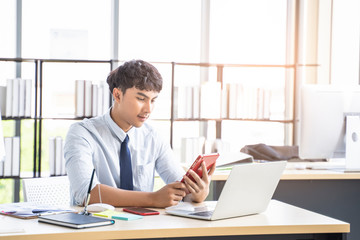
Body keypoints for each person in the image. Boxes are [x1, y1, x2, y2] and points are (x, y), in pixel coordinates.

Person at [64, 59, 216, 208]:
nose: (148, 109)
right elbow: (86, 193)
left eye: (153, 100)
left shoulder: (153, 137)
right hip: (95, 228)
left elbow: (181, 186)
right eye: (141, 99)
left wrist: (197, 193)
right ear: (117, 95)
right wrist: (152, 199)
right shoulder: (82, 133)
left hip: (142, 228)